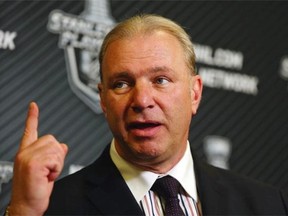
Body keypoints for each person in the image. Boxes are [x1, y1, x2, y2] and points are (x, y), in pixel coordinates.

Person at [7, 14, 288, 216]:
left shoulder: (265, 205)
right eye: (121, 84)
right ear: (103, 100)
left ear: (195, 93)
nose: (141, 100)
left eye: (161, 80)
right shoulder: (51, 208)